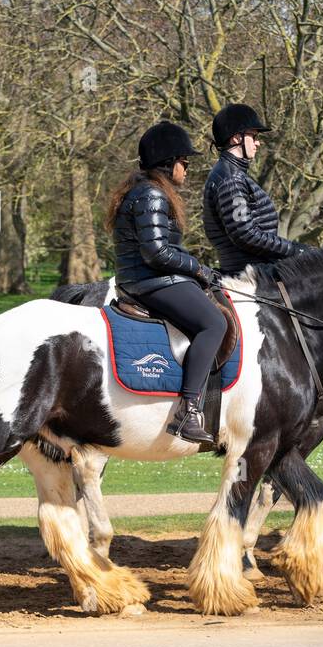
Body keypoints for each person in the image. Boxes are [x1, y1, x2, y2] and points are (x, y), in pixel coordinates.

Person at [111, 120, 225, 444]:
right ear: (168, 161)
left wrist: (199, 269)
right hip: (151, 281)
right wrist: (199, 270)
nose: (186, 169)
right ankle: (188, 411)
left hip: (147, 278)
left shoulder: (146, 191)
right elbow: (157, 252)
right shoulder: (151, 195)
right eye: (184, 162)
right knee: (213, 323)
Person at [202, 103, 309, 275]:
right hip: (251, 276)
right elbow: (245, 234)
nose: (258, 143)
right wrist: (296, 249)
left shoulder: (232, 174)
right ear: (237, 138)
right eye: (253, 136)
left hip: (258, 270)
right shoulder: (231, 180)